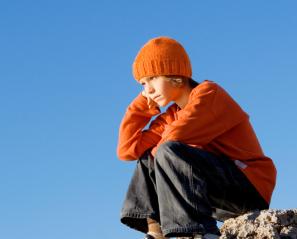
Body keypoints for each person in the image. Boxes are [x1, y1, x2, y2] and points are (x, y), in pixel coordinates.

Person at [116, 36, 277, 239]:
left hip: (248, 188)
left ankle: (198, 232)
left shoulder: (209, 95)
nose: (147, 90)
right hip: (212, 193)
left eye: (152, 78)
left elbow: (172, 140)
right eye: (142, 84)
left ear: (175, 74)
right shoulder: (171, 115)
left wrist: (159, 156)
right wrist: (141, 105)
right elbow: (128, 149)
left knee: (165, 151)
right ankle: (156, 231)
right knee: (148, 157)